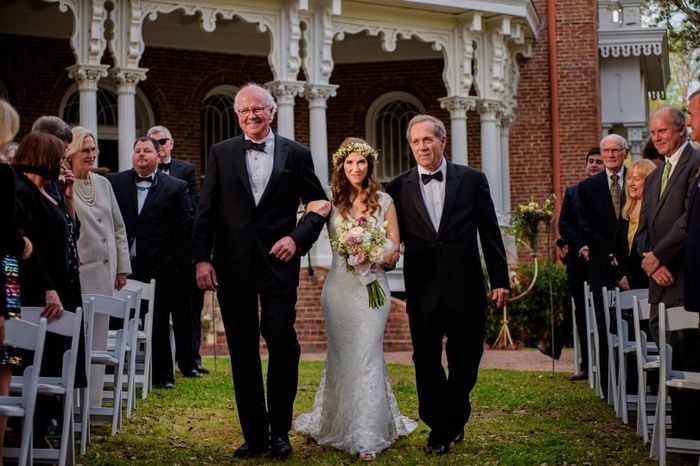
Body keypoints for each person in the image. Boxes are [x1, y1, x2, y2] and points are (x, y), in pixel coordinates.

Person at [193, 83, 328, 460]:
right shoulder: (220, 153)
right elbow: (206, 210)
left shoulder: (297, 154)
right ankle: (254, 434)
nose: (251, 116)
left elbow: (318, 205)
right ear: (238, 116)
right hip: (232, 266)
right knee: (242, 348)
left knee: (282, 340)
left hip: (279, 265)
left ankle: (280, 431)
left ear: (272, 112)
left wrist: (296, 239)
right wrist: (202, 259)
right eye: (244, 111)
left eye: (258, 110)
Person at [386, 115, 509, 456]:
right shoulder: (396, 188)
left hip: (465, 285)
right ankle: (439, 422)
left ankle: (452, 419)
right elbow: (389, 235)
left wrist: (499, 278)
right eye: (416, 142)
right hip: (422, 286)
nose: (422, 147)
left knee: (466, 358)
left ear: (443, 141)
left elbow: (490, 231)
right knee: (424, 359)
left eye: (428, 140)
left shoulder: (471, 180)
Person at [294, 138, 417, 461]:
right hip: (338, 292)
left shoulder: (385, 200)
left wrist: (377, 257)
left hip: (373, 289)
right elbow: (305, 223)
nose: (355, 168)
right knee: (342, 356)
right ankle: (336, 422)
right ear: (341, 166)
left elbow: (394, 244)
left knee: (367, 354)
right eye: (349, 163)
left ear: (370, 165)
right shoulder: (330, 201)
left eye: (361, 162)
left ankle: (367, 433)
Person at [12, 131, 87, 440]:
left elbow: (70, 229)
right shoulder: (21, 191)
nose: (62, 164)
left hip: (64, 285)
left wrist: (68, 199)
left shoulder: (51, 189)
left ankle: (46, 418)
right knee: (35, 358)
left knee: (56, 355)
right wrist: (46, 286)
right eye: (58, 158)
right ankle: (30, 424)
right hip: (38, 290)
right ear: (44, 157)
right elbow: (28, 246)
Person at [109, 136, 194, 390]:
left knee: (156, 321)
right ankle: (115, 373)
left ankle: (162, 376)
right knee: (117, 319)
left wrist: (175, 263)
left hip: (160, 266)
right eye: (137, 151)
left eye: (147, 150)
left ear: (158, 156)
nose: (141, 155)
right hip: (122, 265)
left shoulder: (176, 187)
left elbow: (184, 227)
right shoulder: (115, 182)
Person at [637, 106, 700, 440]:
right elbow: (642, 228)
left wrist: (660, 259)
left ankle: (690, 434)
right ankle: (681, 428)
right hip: (658, 285)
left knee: (688, 356)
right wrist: (648, 257)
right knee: (668, 357)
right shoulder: (653, 177)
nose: (656, 137)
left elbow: (688, 220)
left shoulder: (695, 164)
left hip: (682, 278)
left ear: (681, 130)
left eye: (662, 131)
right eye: (652, 132)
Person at [66, 126, 131, 406]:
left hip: (105, 271)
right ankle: (72, 402)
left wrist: (122, 267)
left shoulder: (103, 184)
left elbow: (118, 227)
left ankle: (92, 402)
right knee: (76, 339)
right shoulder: (64, 183)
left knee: (100, 336)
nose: (91, 154)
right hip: (80, 271)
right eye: (85, 150)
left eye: (94, 149)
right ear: (70, 154)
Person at [539, 147, 603, 381]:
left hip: (604, 261)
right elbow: (564, 224)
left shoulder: (611, 191)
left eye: (599, 162)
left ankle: (607, 364)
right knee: (580, 312)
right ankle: (586, 364)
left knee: (603, 311)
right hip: (578, 261)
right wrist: (580, 247)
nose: (594, 165)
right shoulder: (573, 192)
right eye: (591, 162)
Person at [147, 125, 205, 376]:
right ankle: (157, 365)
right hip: (155, 251)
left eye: (161, 142)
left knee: (188, 309)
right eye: (153, 142)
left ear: (170, 143)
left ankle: (190, 361)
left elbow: (194, 203)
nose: (157, 147)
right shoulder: (142, 174)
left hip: (181, 250)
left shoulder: (186, 170)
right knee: (157, 312)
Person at [577, 133, 628, 400]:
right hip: (601, 264)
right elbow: (586, 227)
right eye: (605, 150)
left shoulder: (639, 179)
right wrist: (609, 252)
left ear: (625, 153)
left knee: (632, 325)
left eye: (615, 150)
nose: (609, 155)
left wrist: (624, 255)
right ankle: (610, 387)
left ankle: (633, 384)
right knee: (605, 324)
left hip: (633, 266)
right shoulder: (588, 188)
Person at [0, 98, 32, 464]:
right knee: (3, 371)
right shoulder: (3, 176)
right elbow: (5, 233)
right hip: (3, 276)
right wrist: (23, 245)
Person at [614, 159, 657, 291]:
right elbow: (619, 248)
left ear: (649, 181)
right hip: (625, 283)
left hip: (648, 282)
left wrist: (632, 278)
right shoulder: (626, 210)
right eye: (629, 178)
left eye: (637, 179)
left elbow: (652, 249)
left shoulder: (655, 210)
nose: (631, 184)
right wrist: (625, 275)